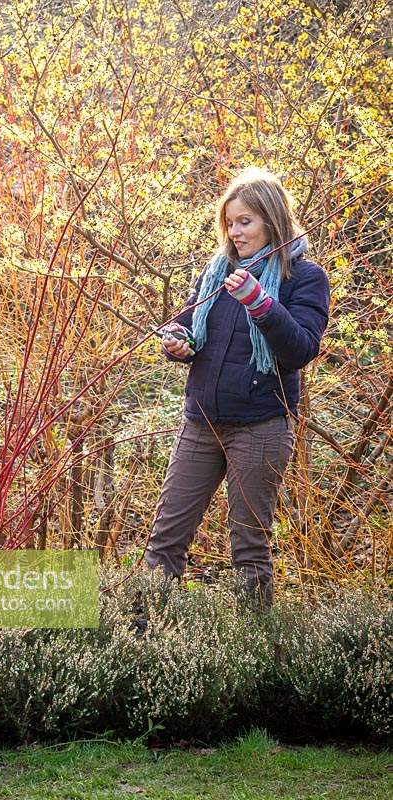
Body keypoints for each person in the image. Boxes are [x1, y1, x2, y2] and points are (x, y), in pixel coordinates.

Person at [143, 167, 330, 612]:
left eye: (244, 221)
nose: (235, 231)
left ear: (271, 219)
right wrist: (177, 342)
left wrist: (260, 302)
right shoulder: (217, 273)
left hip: (261, 427)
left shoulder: (304, 277)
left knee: (249, 546)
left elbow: (301, 349)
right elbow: (189, 325)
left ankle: (254, 647)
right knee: (166, 538)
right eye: (230, 222)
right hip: (201, 421)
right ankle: (139, 637)